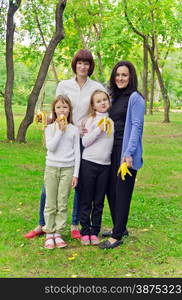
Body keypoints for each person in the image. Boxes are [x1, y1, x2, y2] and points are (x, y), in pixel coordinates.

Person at [23, 49, 106, 240]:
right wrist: (49, 124)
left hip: (83, 141)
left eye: (86, 63)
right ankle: (43, 224)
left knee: (78, 183)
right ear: (75, 64)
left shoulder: (96, 86)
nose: (83, 66)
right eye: (79, 63)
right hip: (62, 136)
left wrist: (90, 125)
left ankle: (75, 224)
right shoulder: (64, 85)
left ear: (90, 66)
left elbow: (101, 107)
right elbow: (56, 108)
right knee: (49, 186)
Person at [99, 60, 145, 249]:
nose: (120, 78)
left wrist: (129, 152)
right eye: (118, 75)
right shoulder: (114, 96)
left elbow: (136, 126)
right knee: (111, 190)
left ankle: (117, 235)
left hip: (126, 153)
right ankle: (120, 227)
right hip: (111, 150)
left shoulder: (136, 98)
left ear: (131, 77)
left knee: (122, 193)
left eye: (124, 75)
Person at [43, 95, 80, 249]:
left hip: (68, 169)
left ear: (69, 109)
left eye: (65, 107)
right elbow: (51, 147)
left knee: (62, 202)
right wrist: (59, 130)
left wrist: (75, 174)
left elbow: (77, 153)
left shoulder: (74, 130)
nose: (62, 110)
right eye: (58, 107)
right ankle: (49, 232)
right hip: (52, 168)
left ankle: (58, 232)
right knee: (50, 202)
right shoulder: (50, 128)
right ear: (54, 110)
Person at [79, 90, 114, 246]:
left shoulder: (111, 122)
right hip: (89, 163)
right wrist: (99, 129)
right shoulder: (91, 120)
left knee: (99, 201)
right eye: (98, 101)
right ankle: (85, 231)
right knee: (87, 199)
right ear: (93, 106)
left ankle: (95, 231)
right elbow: (85, 142)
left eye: (104, 100)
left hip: (105, 166)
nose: (102, 103)